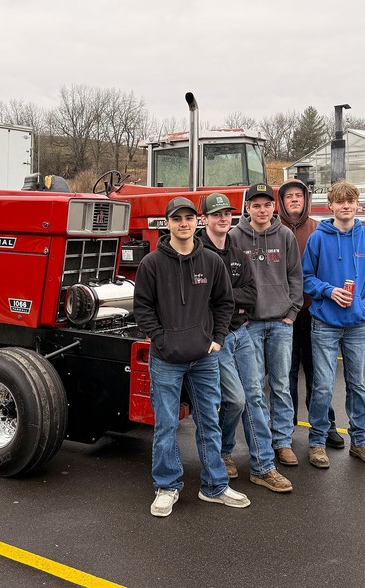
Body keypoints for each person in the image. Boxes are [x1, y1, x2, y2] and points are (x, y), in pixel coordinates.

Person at [134, 196, 250, 517]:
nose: (183, 223)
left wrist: (217, 339)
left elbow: (224, 303)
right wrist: (162, 340)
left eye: (188, 218)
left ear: (196, 221)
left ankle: (214, 486)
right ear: (167, 224)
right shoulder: (151, 264)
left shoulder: (211, 261)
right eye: (177, 218)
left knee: (209, 422)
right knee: (166, 424)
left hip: (204, 358)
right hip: (166, 359)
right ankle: (167, 486)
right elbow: (142, 308)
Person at [199, 193, 293, 493]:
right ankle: (224, 451)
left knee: (255, 396)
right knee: (236, 400)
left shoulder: (238, 253)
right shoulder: (197, 253)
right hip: (215, 338)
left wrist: (223, 294)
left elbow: (250, 294)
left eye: (226, 213)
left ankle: (263, 468)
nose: (222, 218)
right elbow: (201, 297)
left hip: (240, 333)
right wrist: (229, 297)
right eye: (216, 214)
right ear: (205, 219)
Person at [302, 180, 365, 467]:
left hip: (358, 325)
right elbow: (306, 278)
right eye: (340, 201)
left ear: (357, 204)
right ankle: (317, 442)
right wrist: (328, 291)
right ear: (331, 206)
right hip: (325, 323)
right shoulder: (317, 239)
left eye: (350, 201)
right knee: (323, 386)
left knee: (357, 385)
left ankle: (360, 441)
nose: (345, 206)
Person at [229, 183, 304, 467]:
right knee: (255, 388)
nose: (262, 210)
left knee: (281, 385)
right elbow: (230, 278)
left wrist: (292, 312)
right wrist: (241, 316)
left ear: (274, 207)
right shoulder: (235, 236)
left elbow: (295, 276)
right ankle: (261, 444)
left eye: (267, 205)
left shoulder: (285, 235)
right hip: (250, 325)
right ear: (247, 208)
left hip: (281, 323)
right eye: (256, 205)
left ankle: (282, 442)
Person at [277, 178, 346, 450]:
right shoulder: (273, 229)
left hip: (314, 315)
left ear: (306, 200)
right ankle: (285, 429)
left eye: (299, 195)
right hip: (282, 317)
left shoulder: (319, 230)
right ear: (281, 202)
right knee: (285, 375)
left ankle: (325, 424)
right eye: (289, 196)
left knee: (319, 375)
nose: (294, 199)